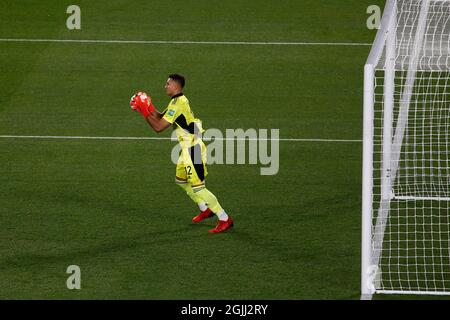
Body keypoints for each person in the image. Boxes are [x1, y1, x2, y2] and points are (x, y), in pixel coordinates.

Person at [130, 74, 234, 233]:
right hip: (186, 149)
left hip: (193, 149)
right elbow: (161, 116)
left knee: (199, 188)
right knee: (181, 181)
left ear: (176, 86)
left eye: (168, 83)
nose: (165, 86)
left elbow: (158, 127)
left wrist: (144, 111)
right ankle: (205, 208)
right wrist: (148, 106)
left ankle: (224, 218)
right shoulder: (176, 101)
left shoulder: (179, 103)